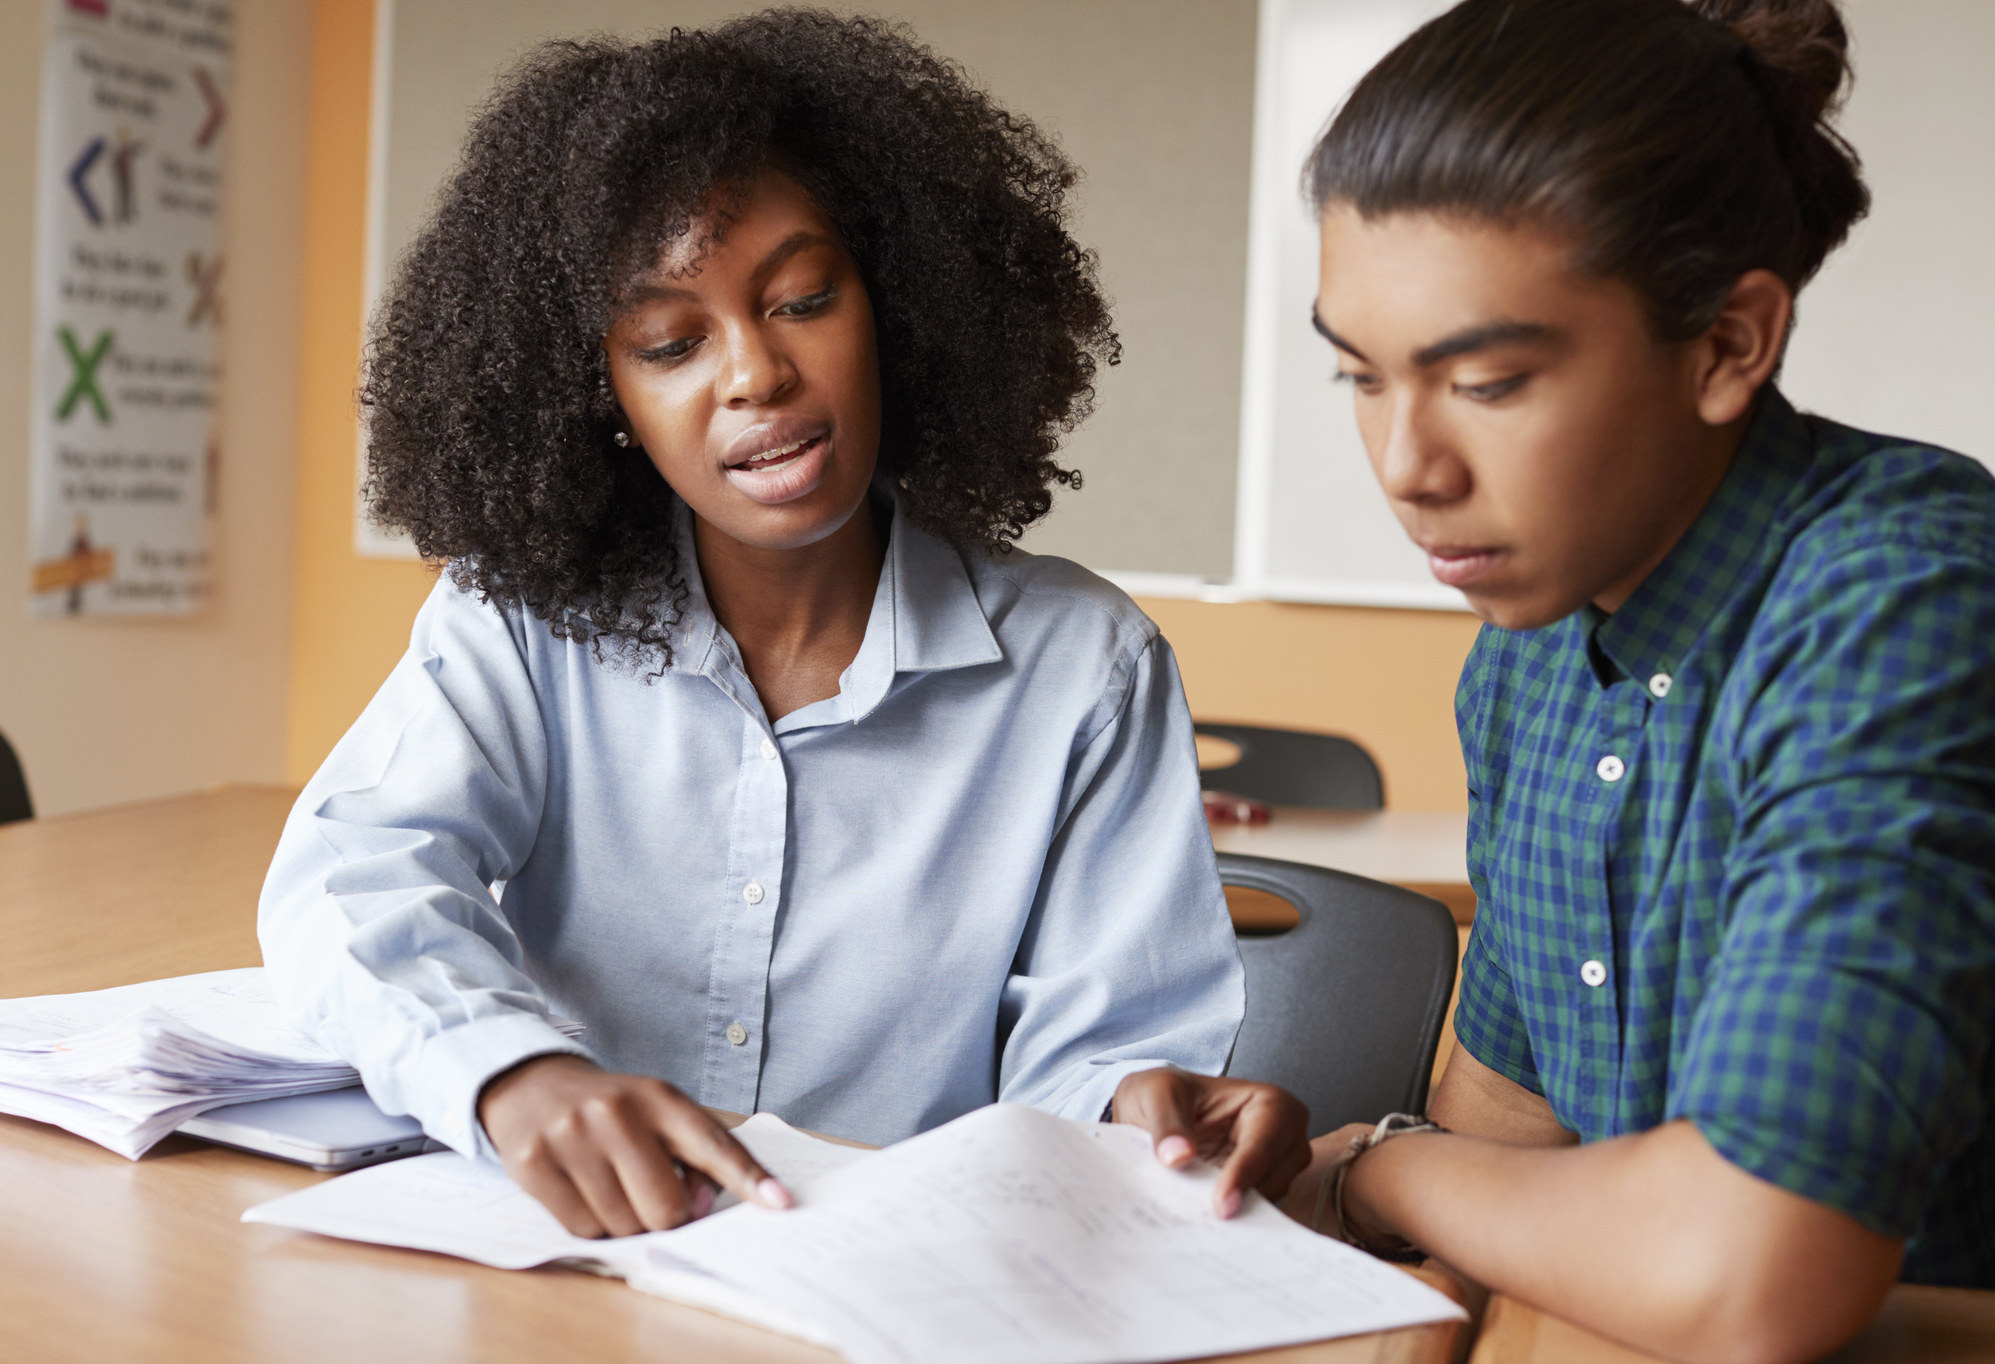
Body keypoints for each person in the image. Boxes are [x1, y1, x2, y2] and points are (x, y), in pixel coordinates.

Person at [259, 12, 1308, 1241]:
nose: (753, 373)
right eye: (669, 341)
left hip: (896, 1292)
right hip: (569, 1269)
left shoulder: (1084, 668)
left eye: (802, 298)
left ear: (900, 310)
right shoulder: (519, 622)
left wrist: (1141, 1107)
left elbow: (1096, 1065)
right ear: (603, 395)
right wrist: (506, 1070)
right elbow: (353, 875)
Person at [1284, 0, 1995, 1364]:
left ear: (1732, 343)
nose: (1404, 463)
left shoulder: (1909, 605)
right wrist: (1318, 1173)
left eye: (1485, 380)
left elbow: (1753, 1266)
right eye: (1357, 375)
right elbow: (1507, 1126)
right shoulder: (1526, 651)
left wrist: (1374, 1170)